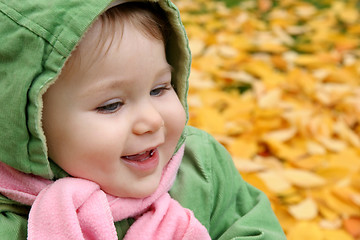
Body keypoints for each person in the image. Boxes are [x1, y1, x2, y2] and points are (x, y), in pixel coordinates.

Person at [0, 0, 287, 239]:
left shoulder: (200, 166)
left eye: (159, 88)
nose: (152, 120)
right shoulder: (12, 221)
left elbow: (253, 227)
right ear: (29, 125)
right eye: (111, 105)